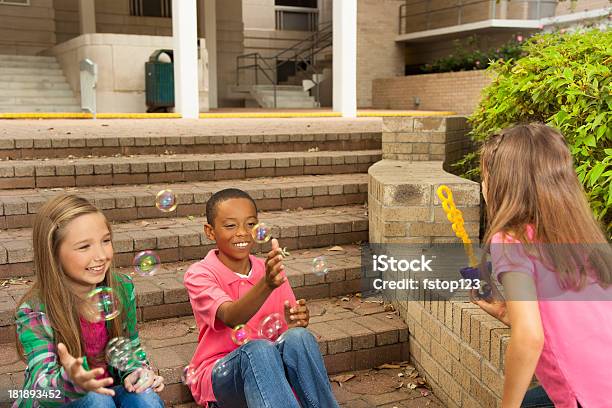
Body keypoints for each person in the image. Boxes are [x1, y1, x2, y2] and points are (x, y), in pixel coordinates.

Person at [472, 124, 612, 408]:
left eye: (485, 176)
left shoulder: (510, 239)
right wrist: (504, 312)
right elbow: (568, 319)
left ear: (504, 184)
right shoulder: (579, 233)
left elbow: (529, 336)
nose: (483, 185)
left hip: (587, 395)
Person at [183, 188, 339, 408]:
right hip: (222, 374)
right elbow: (230, 316)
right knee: (257, 349)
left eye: (250, 224)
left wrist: (296, 322)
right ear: (210, 231)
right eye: (230, 225)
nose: (242, 233)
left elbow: (285, 329)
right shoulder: (200, 274)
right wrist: (266, 283)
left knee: (299, 338)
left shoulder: (267, 270)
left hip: (268, 370)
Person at [13, 194, 165, 408]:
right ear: (53, 254)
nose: (101, 255)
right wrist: (71, 382)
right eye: (84, 247)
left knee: (145, 397)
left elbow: (129, 346)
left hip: (109, 388)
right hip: (59, 399)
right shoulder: (35, 311)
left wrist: (136, 370)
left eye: (106, 241)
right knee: (96, 400)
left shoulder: (121, 288)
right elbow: (41, 387)